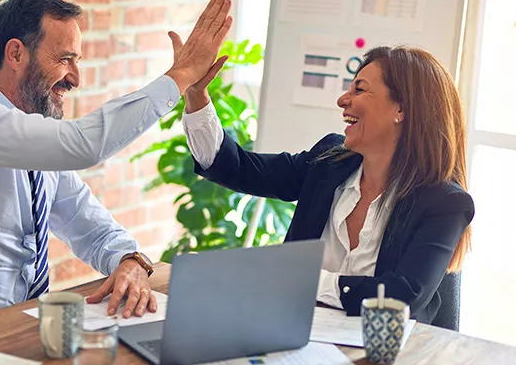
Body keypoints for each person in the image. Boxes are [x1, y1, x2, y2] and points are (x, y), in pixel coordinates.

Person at [0, 0, 233, 332]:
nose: (75, 78)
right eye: (65, 59)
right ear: (16, 55)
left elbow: (91, 227)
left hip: (11, 338)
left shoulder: (39, 151)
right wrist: (181, 75)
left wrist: (130, 260)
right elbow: (84, 145)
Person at [181, 45, 474, 324]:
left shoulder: (445, 203)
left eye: (359, 89)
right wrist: (196, 95)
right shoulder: (329, 162)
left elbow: (400, 298)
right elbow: (238, 168)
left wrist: (301, 279)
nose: (343, 100)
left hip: (384, 360)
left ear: (401, 110)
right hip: (294, 337)